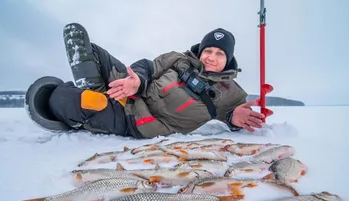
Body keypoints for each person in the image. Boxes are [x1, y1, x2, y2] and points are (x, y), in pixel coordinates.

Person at [45, 23, 265, 139]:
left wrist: (233, 117)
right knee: (76, 34)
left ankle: (91, 103)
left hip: (137, 119)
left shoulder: (231, 93)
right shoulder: (179, 58)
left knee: (60, 98)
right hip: (131, 89)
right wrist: (137, 81)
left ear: (228, 60)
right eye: (208, 50)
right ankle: (94, 96)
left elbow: (236, 115)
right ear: (200, 51)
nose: (211, 57)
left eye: (219, 54)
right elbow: (149, 66)